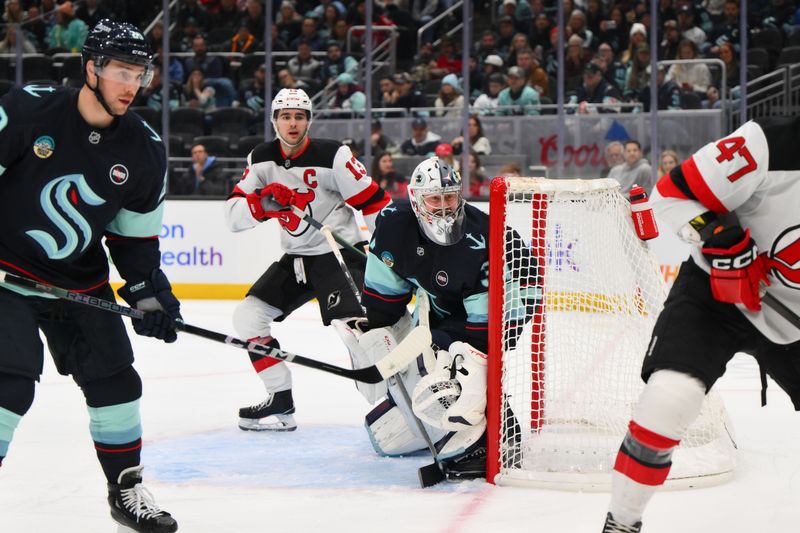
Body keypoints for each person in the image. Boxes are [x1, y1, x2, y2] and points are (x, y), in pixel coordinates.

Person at [0, 20, 180, 533]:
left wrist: (149, 294)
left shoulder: (145, 151)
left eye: (140, 73)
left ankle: (125, 490)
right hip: (3, 275)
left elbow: (134, 241)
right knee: (9, 382)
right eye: (121, 70)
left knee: (117, 381)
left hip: (78, 282)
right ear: (91, 69)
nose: (131, 85)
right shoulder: (28, 110)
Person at [602, 118, 800, 532]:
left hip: (791, 312)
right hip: (716, 291)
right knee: (668, 399)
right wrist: (714, 233)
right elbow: (671, 195)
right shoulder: (765, 146)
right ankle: (621, 523)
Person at [333, 157, 520, 480]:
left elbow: (481, 331)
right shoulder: (394, 225)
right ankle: (442, 424)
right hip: (444, 305)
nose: (445, 207)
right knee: (383, 438)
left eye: (450, 197)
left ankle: (493, 438)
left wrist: (454, 349)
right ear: (417, 199)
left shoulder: (481, 236)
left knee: (465, 360)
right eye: (435, 198)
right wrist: (373, 337)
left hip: (513, 295)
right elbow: (384, 300)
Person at [224, 88, 391, 432]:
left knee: (359, 332)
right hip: (298, 259)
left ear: (309, 121)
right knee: (248, 318)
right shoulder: (261, 159)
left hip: (338, 254)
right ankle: (280, 400)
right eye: (285, 116)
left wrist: (382, 250)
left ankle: (396, 404)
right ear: (274, 121)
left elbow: (374, 201)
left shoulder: (334, 155)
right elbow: (233, 216)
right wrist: (262, 205)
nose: (292, 122)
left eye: (299, 116)